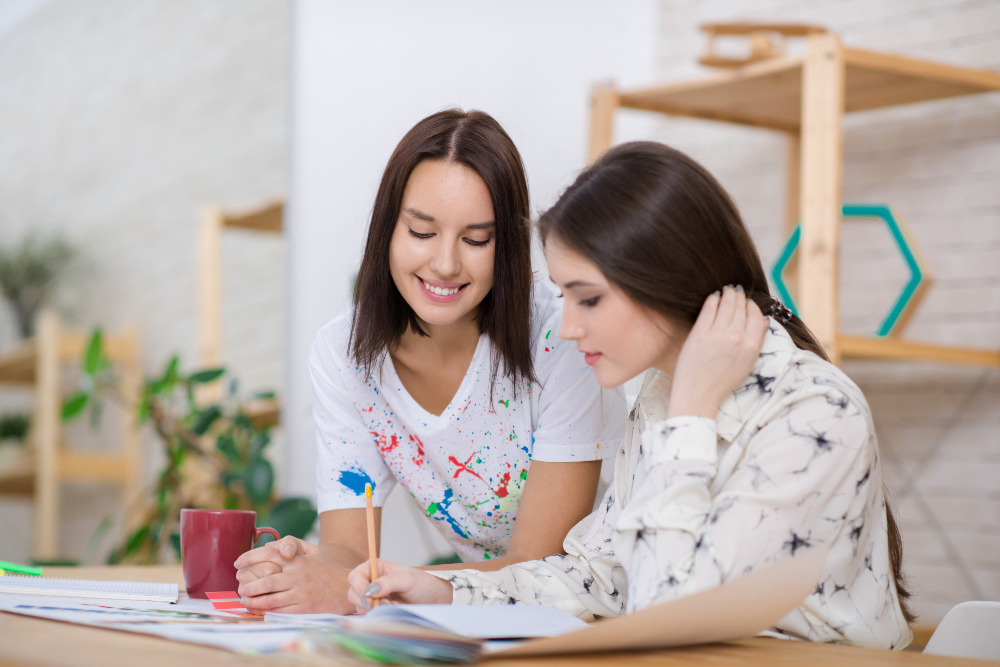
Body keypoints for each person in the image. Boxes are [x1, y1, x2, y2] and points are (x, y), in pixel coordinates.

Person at [344, 141, 915, 650]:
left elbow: (665, 615)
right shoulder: (663, 399)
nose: (567, 328)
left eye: (587, 299)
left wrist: (691, 412)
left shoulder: (812, 411)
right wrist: (443, 590)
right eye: (563, 296)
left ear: (663, 281)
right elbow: (603, 576)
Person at [234, 110, 627, 614]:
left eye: (476, 239)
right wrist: (303, 569)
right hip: (482, 628)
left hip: (602, 617)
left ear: (504, 244)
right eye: (421, 232)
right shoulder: (345, 355)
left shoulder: (563, 340)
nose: (445, 264)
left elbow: (538, 566)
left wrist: (365, 591)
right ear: (387, 231)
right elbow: (352, 552)